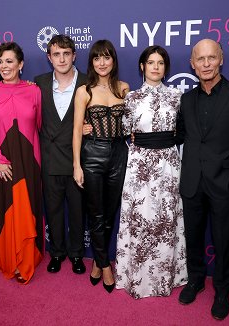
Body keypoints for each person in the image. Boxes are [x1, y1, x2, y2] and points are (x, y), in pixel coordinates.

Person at [177, 39, 229, 320]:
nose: (206, 64)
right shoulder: (186, 99)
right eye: (200, 59)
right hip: (191, 182)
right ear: (192, 64)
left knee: (224, 241)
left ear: (221, 59)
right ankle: (196, 280)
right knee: (194, 238)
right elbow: (179, 136)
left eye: (212, 58)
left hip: (224, 183)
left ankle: (223, 290)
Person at [115, 45, 188, 299]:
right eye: (151, 62)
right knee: (140, 218)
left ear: (165, 68)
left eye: (160, 62)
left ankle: (166, 277)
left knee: (166, 220)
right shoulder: (130, 98)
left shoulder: (178, 97)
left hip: (168, 163)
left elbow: (188, 128)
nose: (155, 66)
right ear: (142, 66)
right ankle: (137, 278)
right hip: (139, 165)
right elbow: (125, 132)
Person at [0, 42, 44, 284]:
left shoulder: (34, 91)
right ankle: (11, 259)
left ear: (20, 64)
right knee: (8, 210)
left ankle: (28, 257)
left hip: (30, 161)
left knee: (29, 207)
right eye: (1, 62)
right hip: (3, 162)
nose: (4, 66)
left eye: (10, 61)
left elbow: (38, 126)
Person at [73, 39, 129, 293]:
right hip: (92, 154)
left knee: (108, 214)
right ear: (92, 62)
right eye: (97, 58)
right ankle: (106, 266)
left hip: (119, 154)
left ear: (113, 61)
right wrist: (77, 165)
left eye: (106, 57)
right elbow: (76, 131)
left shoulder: (125, 89)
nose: (102, 63)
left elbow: (132, 125)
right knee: (95, 214)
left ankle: (98, 260)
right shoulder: (84, 91)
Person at [35, 35, 87, 275]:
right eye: (56, 54)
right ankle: (56, 252)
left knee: (77, 212)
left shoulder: (88, 82)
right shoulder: (38, 83)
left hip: (78, 159)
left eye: (66, 53)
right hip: (50, 158)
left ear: (74, 55)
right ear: (49, 58)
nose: (62, 58)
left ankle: (77, 254)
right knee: (53, 211)